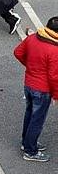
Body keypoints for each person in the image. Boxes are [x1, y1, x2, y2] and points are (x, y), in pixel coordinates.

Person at [13, 16, 58, 162]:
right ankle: (30, 151)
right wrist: (56, 96)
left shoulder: (33, 38)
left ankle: (26, 142)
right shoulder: (54, 50)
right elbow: (54, 76)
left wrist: (30, 67)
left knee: (30, 114)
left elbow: (18, 52)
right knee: (37, 120)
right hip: (43, 90)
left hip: (29, 84)